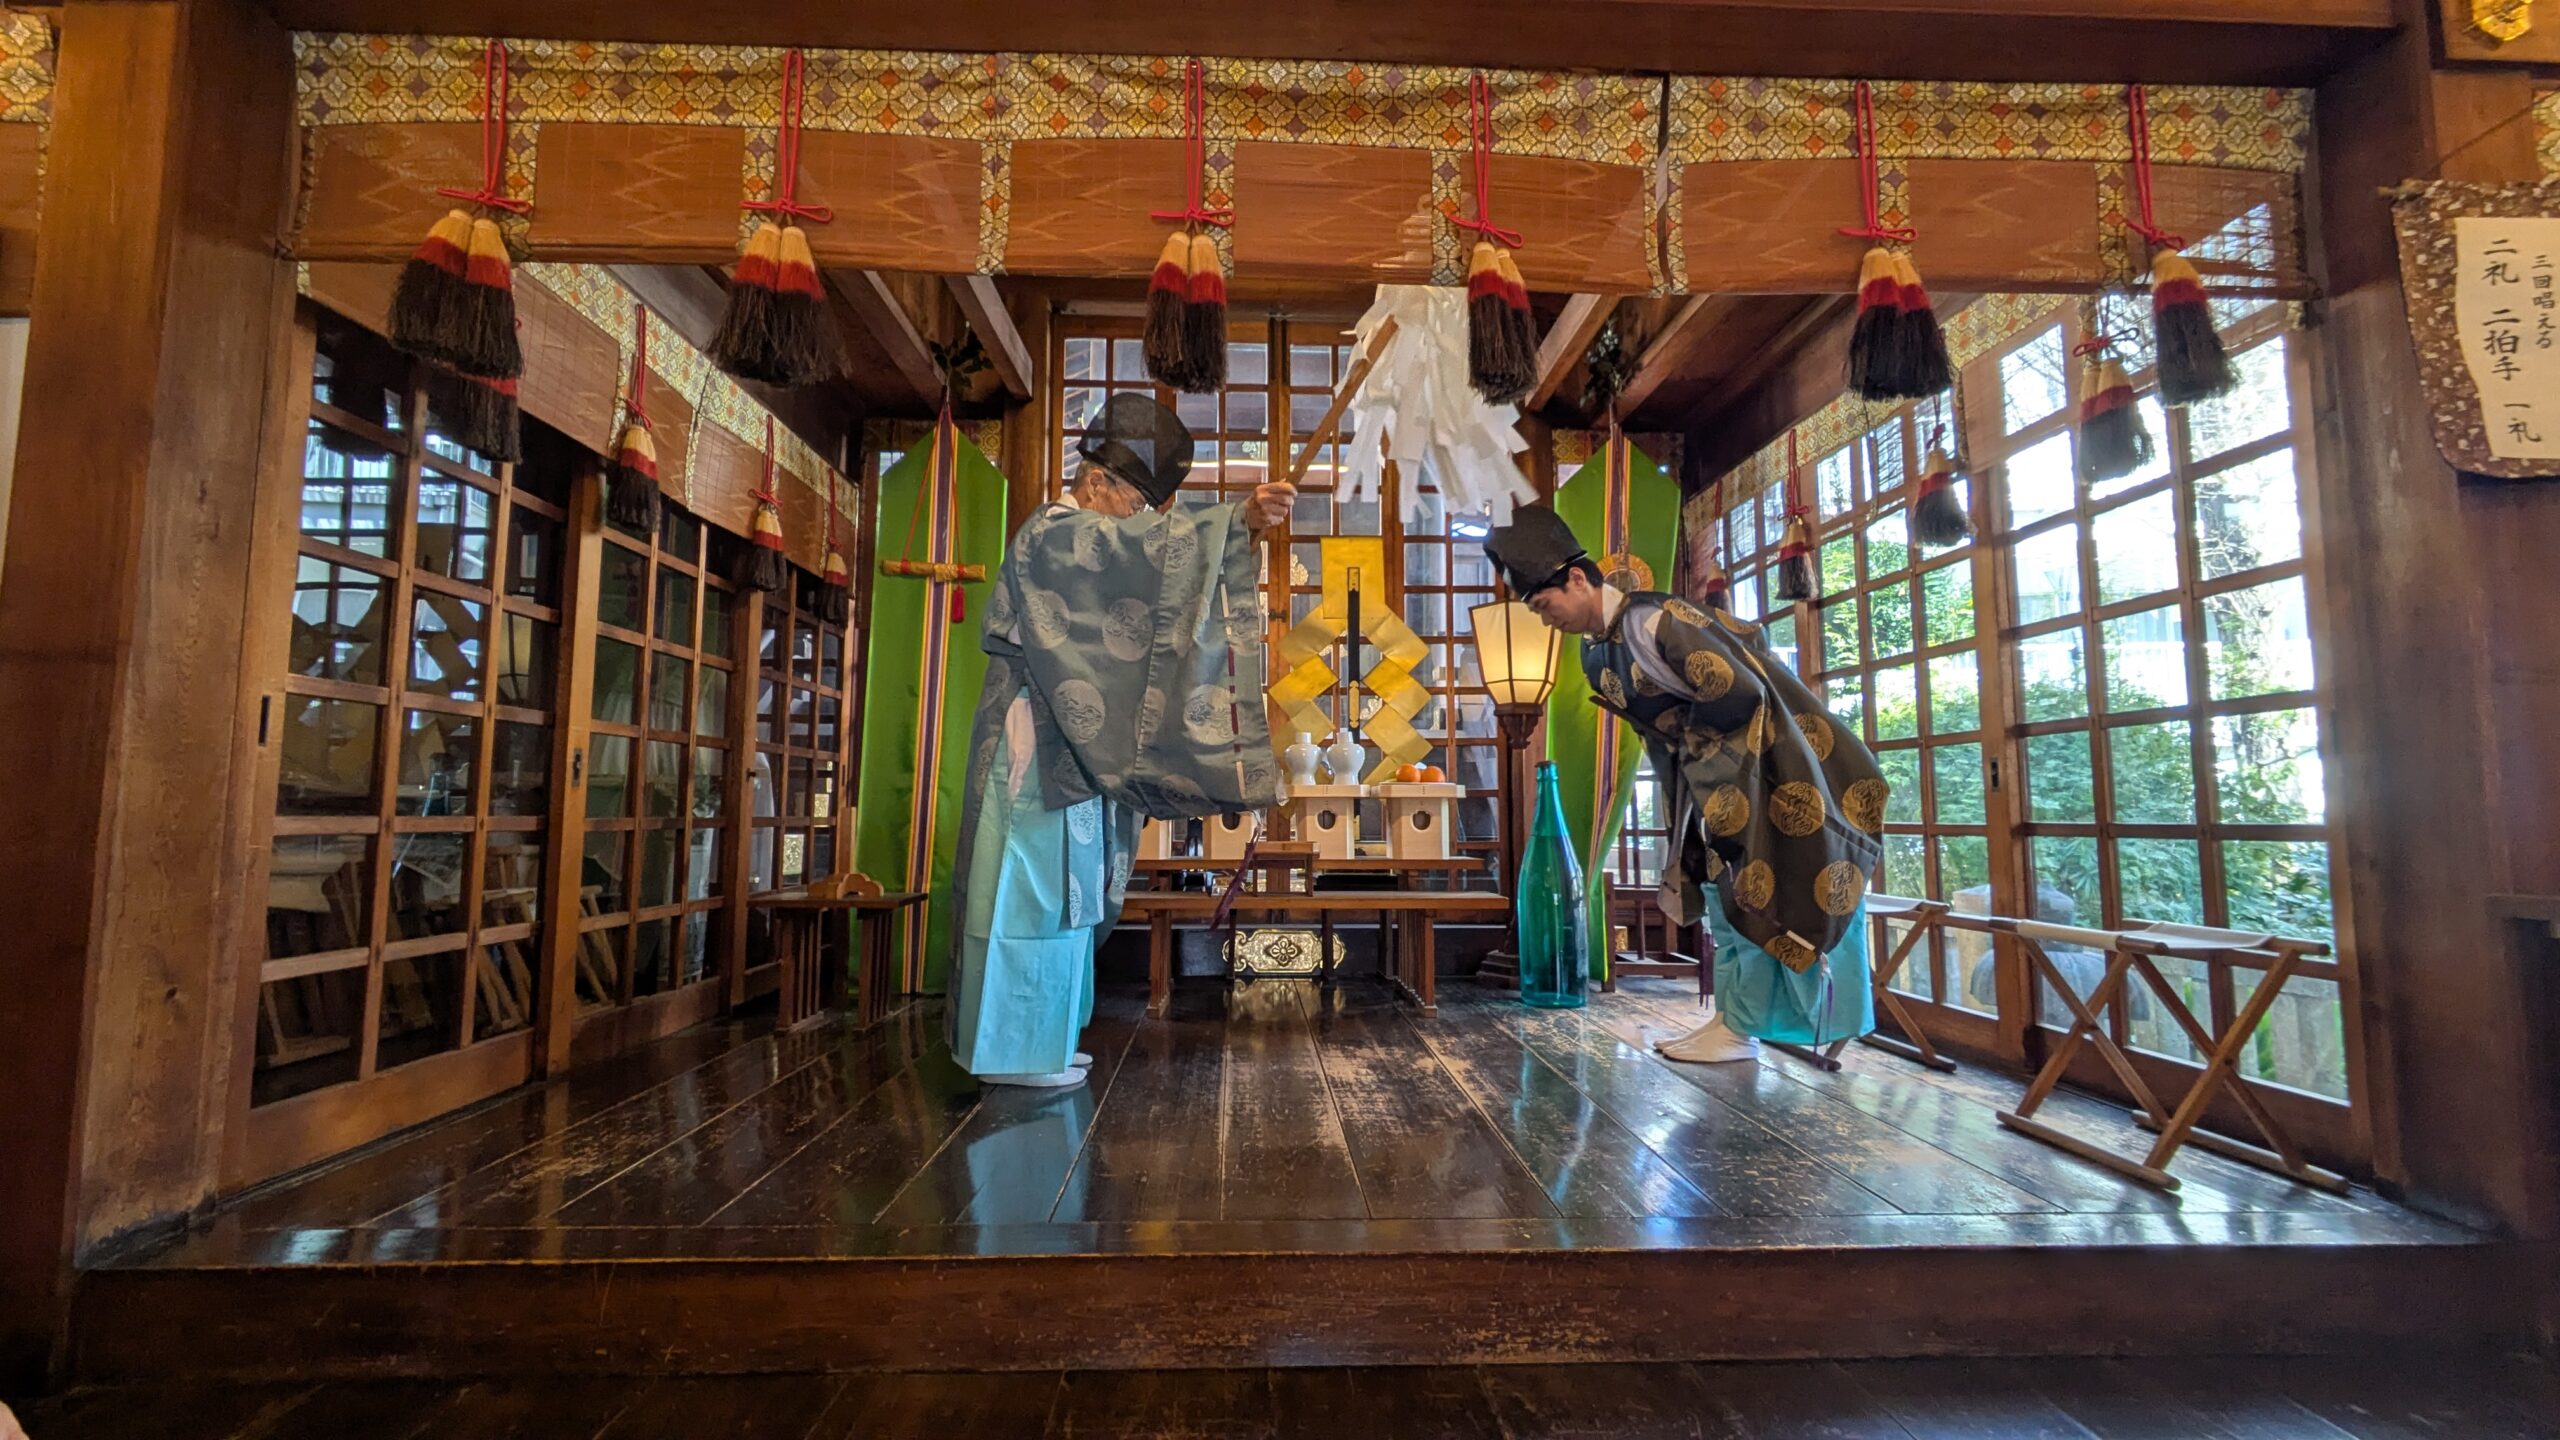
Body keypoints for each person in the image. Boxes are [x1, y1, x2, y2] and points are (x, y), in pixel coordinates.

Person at [948, 394, 1293, 1086]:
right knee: (1030, 886)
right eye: (1135, 503)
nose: (1137, 520)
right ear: (1097, 481)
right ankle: (1012, 1053)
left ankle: (1047, 1039)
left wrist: (1237, 530)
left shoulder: (1086, 532)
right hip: (1035, 738)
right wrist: (1236, 521)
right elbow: (1128, 559)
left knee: (1070, 891)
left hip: (1072, 739)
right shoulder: (1055, 534)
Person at [1484, 505, 1886, 1062]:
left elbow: (1741, 693)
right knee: (1723, 897)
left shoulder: (1656, 620)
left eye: (1544, 605)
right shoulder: (1596, 647)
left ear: (1577, 579)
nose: (1545, 620)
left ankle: (1745, 1029)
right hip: (1704, 781)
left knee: (1763, 892)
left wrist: (1694, 756)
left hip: (1764, 771)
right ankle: (1733, 1019)